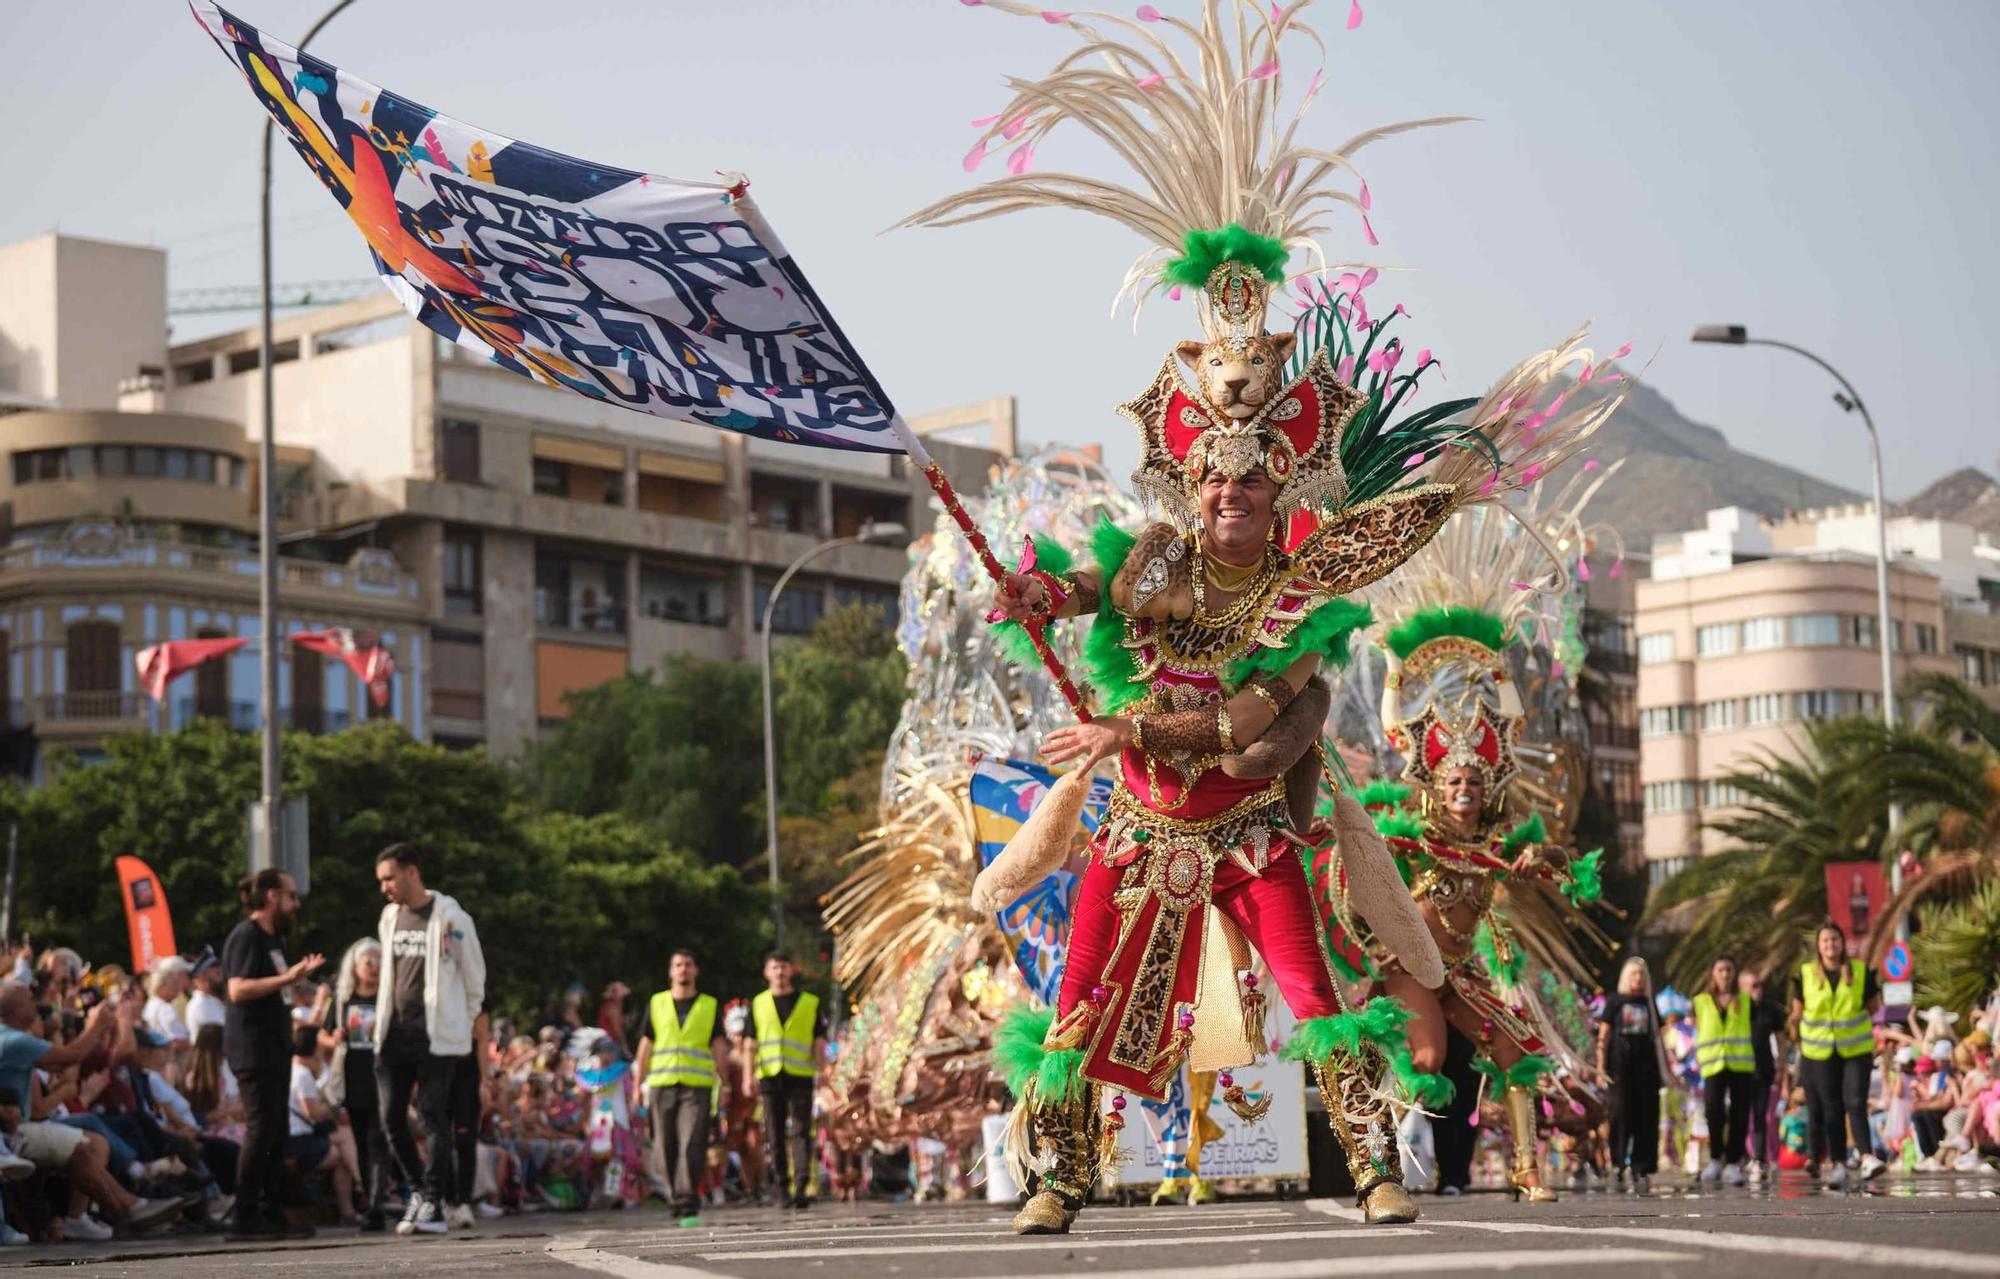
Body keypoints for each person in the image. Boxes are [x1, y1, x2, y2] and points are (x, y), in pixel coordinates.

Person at [0, 984, 182, 1239]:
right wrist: (95, 1025)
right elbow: (69, 1058)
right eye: (30, 1000)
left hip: (20, 1127)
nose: (35, 1005)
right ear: (18, 1009)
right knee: (81, 1146)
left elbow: (64, 1068)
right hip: (11, 1132)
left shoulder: (11, 1038)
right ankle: (129, 1210)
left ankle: (83, 1217)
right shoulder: (12, 1039)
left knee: (95, 1143)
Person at [372, 842, 486, 1236]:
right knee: (390, 1119)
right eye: (381, 880)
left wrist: (460, 1022)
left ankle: (437, 1203)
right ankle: (420, 1191)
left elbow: (475, 983)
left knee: (434, 1118)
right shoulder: (389, 918)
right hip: (393, 1035)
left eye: (389, 878)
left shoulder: (451, 919)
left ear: (412, 872)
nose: (384, 887)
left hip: (436, 1039)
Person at [223, 867, 325, 1240]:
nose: (295, 904)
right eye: (291, 896)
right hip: (253, 1047)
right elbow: (237, 989)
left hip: (275, 1046)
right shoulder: (246, 936)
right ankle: (244, 1216)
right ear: (271, 897)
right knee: (261, 1128)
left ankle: (271, 1212)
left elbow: (277, 990)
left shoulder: (274, 941)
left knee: (276, 1132)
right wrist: (288, 979)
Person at [1789, 920, 1885, 1186]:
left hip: (1855, 1049)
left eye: (1835, 940)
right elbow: (1797, 1013)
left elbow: (1874, 1007)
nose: (1831, 945)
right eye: (1825, 941)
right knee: (1832, 1109)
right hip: (1819, 1052)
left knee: (1855, 1102)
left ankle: (1867, 1157)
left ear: (1842, 944)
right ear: (1818, 947)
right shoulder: (1806, 974)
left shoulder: (1860, 971)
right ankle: (1839, 1161)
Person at [634, 950, 726, 1220]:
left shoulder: (709, 1005)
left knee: (692, 1141)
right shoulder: (657, 1003)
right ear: (670, 972)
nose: (683, 970)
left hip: (697, 1085)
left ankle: (687, 1196)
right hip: (662, 1083)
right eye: (678, 965)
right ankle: (674, 1193)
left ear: (695, 971)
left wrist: (726, 1086)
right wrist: (637, 1085)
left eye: (687, 965)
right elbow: (645, 1047)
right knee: (664, 1144)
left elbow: (719, 1047)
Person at [746, 952, 823, 1210]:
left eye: (784, 967)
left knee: (802, 1130)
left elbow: (819, 1041)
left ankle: (801, 1185)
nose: (779, 972)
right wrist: (748, 1075)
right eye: (774, 967)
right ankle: (781, 1187)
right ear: (767, 972)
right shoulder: (757, 1004)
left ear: (791, 971)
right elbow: (749, 1043)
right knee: (774, 1132)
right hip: (769, 1075)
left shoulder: (810, 1002)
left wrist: (822, 1072)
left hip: (800, 1074)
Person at [325, 938, 388, 1230]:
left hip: (383, 1076)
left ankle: (377, 1203)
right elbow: (322, 1035)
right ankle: (369, 1199)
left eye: (378, 961)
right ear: (355, 965)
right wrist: (333, 1038)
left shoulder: (389, 997)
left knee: (379, 1140)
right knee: (362, 1141)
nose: (373, 967)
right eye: (368, 961)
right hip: (353, 1078)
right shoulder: (342, 1000)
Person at [1599, 957, 1667, 1193]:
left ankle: (1642, 1167)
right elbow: (1604, 1034)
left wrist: (1667, 1070)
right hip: (1620, 1065)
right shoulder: (1615, 1001)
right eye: (1634, 974)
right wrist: (1600, 1067)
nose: (1638, 978)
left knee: (1647, 1116)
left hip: (1646, 1065)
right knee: (1620, 1115)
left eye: (1642, 974)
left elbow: (1658, 1039)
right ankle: (1617, 1164)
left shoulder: (1649, 1003)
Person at [1693, 956, 1756, 1185]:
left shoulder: (1746, 1001)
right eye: (1721, 970)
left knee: (1739, 1113)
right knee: (1713, 1111)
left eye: (1729, 970)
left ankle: (1733, 1161)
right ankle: (1715, 1158)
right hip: (1713, 1064)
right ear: (1713, 973)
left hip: (1740, 1064)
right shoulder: (1701, 1001)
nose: (1725, 974)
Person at [286, 1024, 358, 1222]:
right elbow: (313, 1113)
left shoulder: (292, 1069)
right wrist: (330, 1108)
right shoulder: (302, 1074)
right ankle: (359, 1188)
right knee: (343, 1146)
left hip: (296, 1136)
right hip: (299, 1141)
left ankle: (352, 1203)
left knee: (343, 1139)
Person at [1741, 968, 1787, 1181]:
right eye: (1753, 985)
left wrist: (1782, 1067)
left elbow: (1780, 1040)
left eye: (1759, 984)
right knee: (1740, 1115)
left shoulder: (1770, 1010)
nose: (1757, 989)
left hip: (1764, 1069)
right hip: (1739, 1068)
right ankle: (1739, 1157)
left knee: (1761, 1115)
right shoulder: (1736, 1008)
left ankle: (1759, 1158)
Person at [141, 957, 194, 1056]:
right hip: (175, 1058)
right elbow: (177, 1042)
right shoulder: (165, 1009)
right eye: (173, 985)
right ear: (161, 986)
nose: (177, 988)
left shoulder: (150, 1005)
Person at [186, 951, 228, 1038]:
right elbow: (221, 1035)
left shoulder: (213, 1000)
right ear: (202, 980)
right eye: (217, 974)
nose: (223, 978)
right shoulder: (201, 1004)